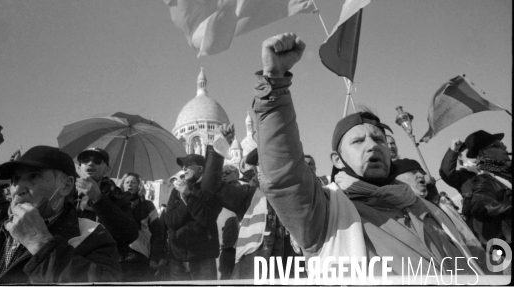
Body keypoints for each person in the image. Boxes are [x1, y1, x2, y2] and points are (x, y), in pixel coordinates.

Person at [252, 32, 488, 278]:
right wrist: (274, 84)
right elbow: (284, 175)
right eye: (357, 141)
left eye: (378, 139)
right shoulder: (324, 214)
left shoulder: (427, 208)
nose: (372, 146)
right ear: (337, 160)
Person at [0, 145, 123, 284]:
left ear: (65, 186)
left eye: (33, 176)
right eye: (15, 180)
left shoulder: (92, 235)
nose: (18, 189)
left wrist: (40, 244)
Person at [202, 147, 304, 280]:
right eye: (260, 165)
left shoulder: (302, 195)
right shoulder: (248, 194)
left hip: (293, 273)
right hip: (254, 272)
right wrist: (217, 150)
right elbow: (211, 187)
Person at [393, 159, 481, 249]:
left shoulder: (437, 206)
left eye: (421, 172)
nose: (421, 176)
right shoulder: (398, 215)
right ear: (396, 179)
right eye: (413, 172)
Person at [166, 153, 222, 281]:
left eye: (189, 165)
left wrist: (188, 195)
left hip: (203, 259)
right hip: (178, 259)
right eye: (183, 166)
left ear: (201, 169)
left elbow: (206, 219)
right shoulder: (176, 191)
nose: (184, 169)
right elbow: (170, 221)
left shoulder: (210, 190)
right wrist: (186, 197)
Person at [74, 148, 139, 248]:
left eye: (97, 160)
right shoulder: (65, 193)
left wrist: (99, 200)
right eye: (85, 159)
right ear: (79, 168)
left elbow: (129, 235)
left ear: (107, 170)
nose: (90, 163)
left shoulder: (118, 197)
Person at [118, 172, 166, 282]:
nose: (129, 185)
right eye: (127, 182)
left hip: (141, 257)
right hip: (119, 258)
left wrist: (154, 258)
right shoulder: (116, 205)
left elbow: (158, 234)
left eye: (133, 182)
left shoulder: (148, 206)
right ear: (122, 185)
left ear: (139, 186)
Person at [217, 162, 241, 280]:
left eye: (227, 173)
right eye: (221, 173)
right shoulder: (219, 190)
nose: (224, 175)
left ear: (237, 174)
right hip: (224, 244)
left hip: (240, 244)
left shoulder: (244, 189)